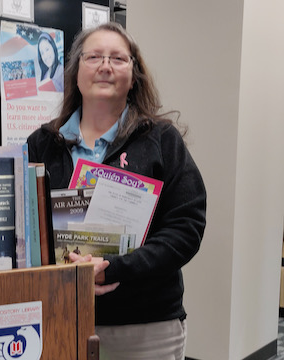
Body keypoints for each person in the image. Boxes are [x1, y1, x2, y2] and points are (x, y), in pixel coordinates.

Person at [26, 22, 206, 359]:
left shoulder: (163, 141)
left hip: (145, 326)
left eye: (119, 59)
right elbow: (30, 229)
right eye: (94, 56)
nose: (106, 66)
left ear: (134, 75)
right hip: (60, 315)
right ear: (75, 72)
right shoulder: (41, 144)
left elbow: (186, 228)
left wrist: (116, 267)